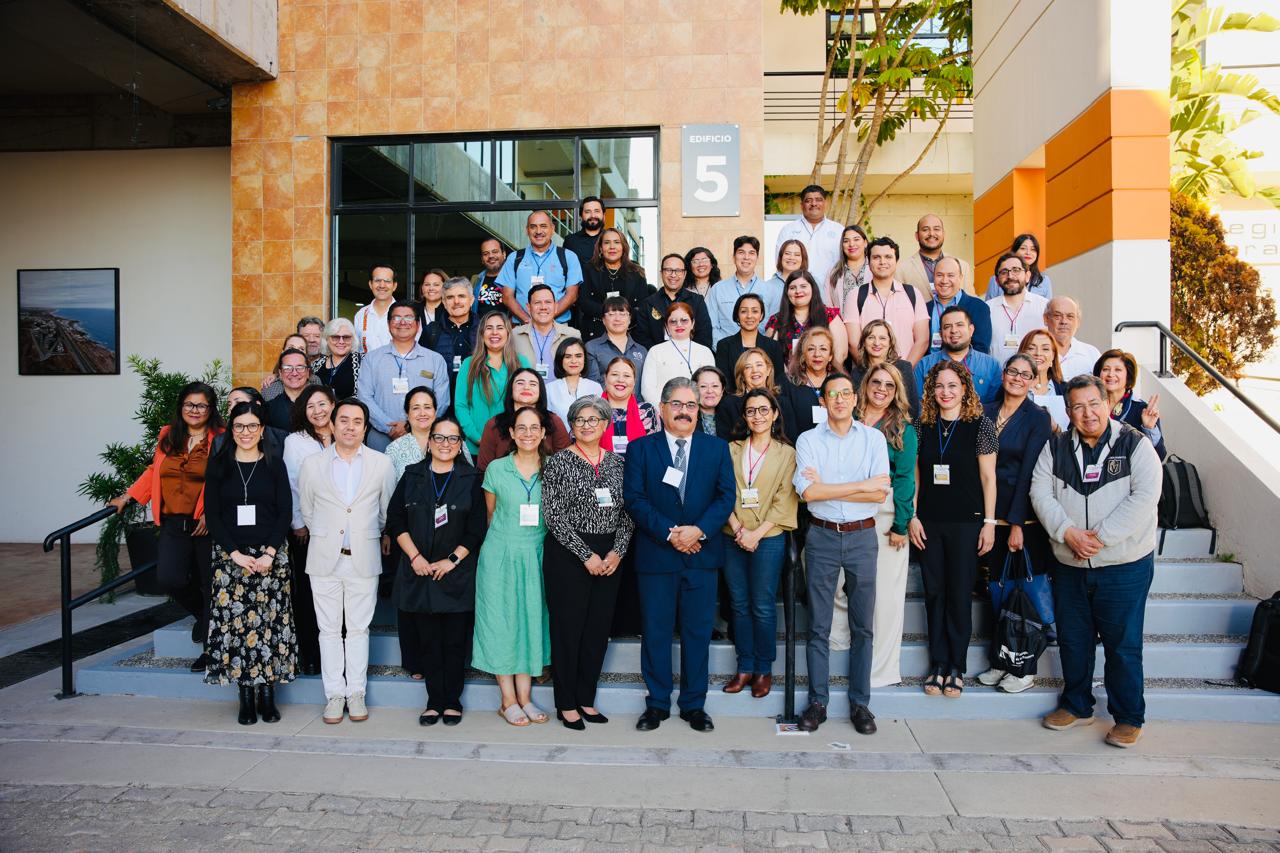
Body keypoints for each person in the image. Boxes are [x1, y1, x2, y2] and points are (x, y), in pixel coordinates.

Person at [1031, 375, 1162, 748]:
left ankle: (1128, 716)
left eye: (1093, 404)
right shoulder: (1055, 447)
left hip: (1123, 563)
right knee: (1074, 640)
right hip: (1070, 563)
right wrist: (1067, 532)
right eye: (1077, 406)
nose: (1087, 413)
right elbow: (1040, 491)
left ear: (1109, 404)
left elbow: (1145, 497)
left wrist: (1099, 538)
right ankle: (1077, 705)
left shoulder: (1134, 444)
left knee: (1122, 644)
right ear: (1068, 410)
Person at [624, 377, 736, 733]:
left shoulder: (716, 449)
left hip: (702, 556)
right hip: (657, 556)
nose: (684, 411)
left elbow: (725, 498)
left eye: (691, 405)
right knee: (656, 632)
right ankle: (656, 704)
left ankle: (693, 705)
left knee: (697, 634)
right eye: (677, 404)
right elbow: (635, 500)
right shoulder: (641, 449)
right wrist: (672, 533)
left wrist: (697, 531)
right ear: (662, 409)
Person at [793, 373, 890, 734]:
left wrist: (831, 488)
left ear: (854, 399)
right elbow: (808, 494)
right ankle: (818, 701)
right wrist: (860, 485)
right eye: (832, 393)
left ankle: (860, 703)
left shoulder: (873, 439)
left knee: (862, 626)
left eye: (845, 393)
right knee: (818, 625)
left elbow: (879, 494)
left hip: (863, 538)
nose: (839, 399)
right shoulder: (808, 440)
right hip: (822, 537)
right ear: (823, 400)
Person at [110, 382, 224, 673]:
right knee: (169, 579)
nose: (195, 410)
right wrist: (128, 496)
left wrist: (211, 513)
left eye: (201, 405)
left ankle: (212, 651)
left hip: (205, 524)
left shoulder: (221, 439)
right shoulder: (167, 436)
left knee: (210, 585)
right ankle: (204, 617)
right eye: (189, 404)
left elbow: (226, 479)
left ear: (210, 409)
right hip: (173, 521)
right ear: (181, 407)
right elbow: (153, 472)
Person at [298, 398, 398, 724]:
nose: (350, 426)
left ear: (365, 428)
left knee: (358, 628)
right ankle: (334, 695)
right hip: (325, 557)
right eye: (344, 420)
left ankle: (356, 692)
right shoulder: (313, 464)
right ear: (332, 424)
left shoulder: (381, 464)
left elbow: (386, 511)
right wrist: (328, 534)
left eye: (357, 421)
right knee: (328, 630)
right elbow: (308, 510)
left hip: (364, 555)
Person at [541, 397, 635, 729]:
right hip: (569, 554)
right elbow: (553, 516)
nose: (586, 425)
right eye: (580, 420)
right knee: (568, 630)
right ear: (571, 425)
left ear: (606, 424)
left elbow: (628, 514)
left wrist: (617, 552)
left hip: (609, 555)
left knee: (597, 631)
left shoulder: (618, 464)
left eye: (594, 420)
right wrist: (586, 555)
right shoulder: (558, 462)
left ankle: (586, 699)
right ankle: (566, 702)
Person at [386, 416, 486, 727]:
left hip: (456, 573)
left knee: (455, 641)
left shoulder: (471, 479)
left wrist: (452, 560)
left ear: (460, 446)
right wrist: (415, 557)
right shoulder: (412, 475)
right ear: (429, 443)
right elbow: (395, 521)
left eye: (452, 439)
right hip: (419, 571)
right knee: (428, 640)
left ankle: (452, 700)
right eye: (439, 438)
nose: (445, 444)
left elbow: (476, 529)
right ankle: (434, 701)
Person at [201, 400, 296, 725]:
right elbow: (212, 516)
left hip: (271, 557)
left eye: (252, 426)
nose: (246, 432)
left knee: (269, 625)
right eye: (240, 426)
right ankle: (245, 695)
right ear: (231, 429)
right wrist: (235, 554)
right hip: (231, 558)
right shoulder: (219, 465)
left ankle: (267, 695)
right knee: (237, 628)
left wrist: (269, 552)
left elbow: (284, 511)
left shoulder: (274, 464)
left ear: (261, 430)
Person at [908, 361, 998, 700]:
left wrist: (989, 523)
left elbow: (989, 479)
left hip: (967, 521)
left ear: (965, 389)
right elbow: (915, 475)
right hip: (930, 521)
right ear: (931, 390)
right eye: (939, 386)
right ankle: (937, 663)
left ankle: (955, 666)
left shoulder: (981, 426)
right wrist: (912, 515)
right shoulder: (922, 425)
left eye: (952, 386)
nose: (945, 392)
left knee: (959, 594)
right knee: (935, 593)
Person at [974, 354, 1054, 693]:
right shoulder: (986, 411)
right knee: (997, 592)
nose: (1017, 378)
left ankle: (1026, 666)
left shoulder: (1038, 418)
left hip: (1023, 516)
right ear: (1003, 374)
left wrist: (1018, 523)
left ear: (1035, 381)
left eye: (1026, 374)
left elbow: (1030, 471)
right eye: (1012, 371)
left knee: (1025, 594)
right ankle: (1002, 660)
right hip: (990, 513)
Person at [472, 406, 554, 727]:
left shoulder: (553, 468)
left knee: (531, 622)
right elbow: (490, 516)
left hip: (538, 553)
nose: (528, 433)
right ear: (512, 433)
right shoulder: (496, 469)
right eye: (522, 428)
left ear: (544, 433)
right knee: (502, 623)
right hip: (501, 554)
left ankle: (526, 697)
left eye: (535, 428)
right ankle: (508, 701)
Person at [721, 388, 798, 699]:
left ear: (775, 413)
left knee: (763, 606)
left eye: (764, 410)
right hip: (732, 536)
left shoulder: (787, 453)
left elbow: (784, 500)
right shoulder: (731, 449)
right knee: (738, 604)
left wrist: (755, 534)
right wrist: (739, 528)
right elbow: (722, 491)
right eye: (751, 410)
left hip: (768, 538)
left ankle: (764, 669)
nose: (757, 416)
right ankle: (745, 666)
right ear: (744, 415)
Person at [853, 365, 918, 688]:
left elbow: (906, 479)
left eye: (889, 385)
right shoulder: (846, 418)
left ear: (897, 392)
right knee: (836, 580)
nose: (881, 389)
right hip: (846, 508)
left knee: (887, 596)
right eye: (875, 382)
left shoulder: (902, 429)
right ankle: (841, 643)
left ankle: (882, 670)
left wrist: (901, 523)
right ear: (865, 384)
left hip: (886, 513)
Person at [383, 385, 439, 680]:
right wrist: (388, 532)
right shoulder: (395, 449)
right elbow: (388, 495)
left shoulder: (449, 441)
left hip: (444, 537)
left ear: (435, 411)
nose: (422, 413)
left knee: (438, 598)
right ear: (406, 413)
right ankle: (415, 661)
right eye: (415, 407)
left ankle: (437, 657)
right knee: (410, 599)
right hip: (407, 534)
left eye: (427, 406)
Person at [282, 385, 336, 677]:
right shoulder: (295, 442)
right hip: (309, 531)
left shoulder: (345, 433)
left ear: (333, 404)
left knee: (337, 593)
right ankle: (311, 656)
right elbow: (292, 484)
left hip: (341, 530)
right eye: (311, 406)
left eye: (322, 404)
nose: (318, 411)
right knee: (308, 595)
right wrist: (298, 523)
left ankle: (337, 655)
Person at [357, 300, 451, 451]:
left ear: (418, 324)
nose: (402, 323)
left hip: (423, 439)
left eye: (408, 318)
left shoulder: (435, 360)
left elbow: (442, 400)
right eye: (396, 318)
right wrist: (388, 427)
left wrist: (411, 426)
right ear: (388, 324)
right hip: (380, 439)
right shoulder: (371, 359)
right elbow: (364, 397)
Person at [843, 236, 930, 365]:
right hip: (868, 377)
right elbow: (853, 343)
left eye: (888, 257)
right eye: (876, 257)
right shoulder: (855, 296)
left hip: (905, 375)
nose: (882, 262)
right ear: (868, 261)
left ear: (897, 261)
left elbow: (922, 340)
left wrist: (904, 371)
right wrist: (874, 373)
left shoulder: (913, 294)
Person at [455, 310, 529, 456]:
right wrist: (477, 438)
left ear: (508, 333)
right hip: (477, 447)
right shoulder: (469, 365)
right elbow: (460, 405)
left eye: (500, 328)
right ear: (482, 334)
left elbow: (530, 403)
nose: (494, 332)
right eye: (489, 328)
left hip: (514, 448)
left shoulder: (521, 363)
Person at [476, 367, 572, 470]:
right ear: (511, 391)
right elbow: (483, 469)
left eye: (533, 384)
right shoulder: (494, 424)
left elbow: (566, 465)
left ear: (540, 392)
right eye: (520, 383)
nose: (526, 387)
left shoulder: (553, 421)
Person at [497, 211, 582, 325]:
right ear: (527, 230)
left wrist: (545, 320)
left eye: (543, 226)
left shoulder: (568, 257)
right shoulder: (514, 258)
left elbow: (572, 295)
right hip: (523, 326)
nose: (538, 231)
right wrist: (528, 321)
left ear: (552, 229)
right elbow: (507, 297)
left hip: (558, 327)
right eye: (533, 227)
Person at [914, 306, 1003, 405]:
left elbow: (995, 407)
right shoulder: (924, 365)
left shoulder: (991, 365)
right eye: (947, 326)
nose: (953, 330)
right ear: (940, 333)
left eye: (959, 325)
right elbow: (919, 405)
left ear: (971, 330)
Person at [578, 227, 652, 341]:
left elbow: (642, 306)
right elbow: (584, 302)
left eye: (617, 242)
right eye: (607, 243)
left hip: (630, 333)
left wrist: (622, 318)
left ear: (623, 247)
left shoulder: (637, 272)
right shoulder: (588, 270)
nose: (612, 247)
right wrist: (609, 314)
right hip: (596, 332)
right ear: (601, 248)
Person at [707, 236, 783, 346]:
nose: (746, 257)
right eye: (741, 252)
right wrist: (724, 349)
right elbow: (711, 326)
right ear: (733, 257)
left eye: (751, 253)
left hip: (760, 354)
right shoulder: (718, 289)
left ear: (757, 257)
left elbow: (774, 326)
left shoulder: (770, 290)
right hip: (726, 353)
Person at [1094, 349, 1167, 459]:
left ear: (1128, 376)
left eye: (1118, 370)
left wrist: (1149, 428)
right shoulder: (1090, 405)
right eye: (1106, 369)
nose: (1110, 374)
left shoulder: (1142, 409)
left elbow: (1159, 456)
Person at [767, 270, 849, 367]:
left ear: (813, 289)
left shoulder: (830, 315)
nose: (798, 291)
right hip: (787, 378)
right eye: (793, 288)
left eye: (803, 286)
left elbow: (841, 353)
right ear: (787, 292)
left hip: (825, 377)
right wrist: (786, 379)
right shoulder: (776, 320)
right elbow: (771, 356)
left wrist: (824, 377)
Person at [640, 302, 715, 405]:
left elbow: (708, 388)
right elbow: (647, 389)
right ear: (666, 326)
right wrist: (664, 411)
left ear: (692, 323)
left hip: (696, 412)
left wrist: (693, 409)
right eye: (673, 321)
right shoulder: (655, 351)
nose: (679, 325)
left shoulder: (705, 352)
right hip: (662, 413)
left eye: (684, 320)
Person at [634, 253, 714, 349]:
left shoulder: (697, 301)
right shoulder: (648, 303)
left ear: (684, 274)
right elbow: (642, 338)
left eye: (678, 271)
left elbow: (704, 335)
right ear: (661, 273)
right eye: (668, 270)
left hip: (691, 358)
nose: (673, 275)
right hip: (659, 359)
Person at [778, 326, 839, 444]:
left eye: (823, 349)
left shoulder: (840, 383)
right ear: (803, 355)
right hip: (798, 450)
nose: (817, 354)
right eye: (811, 349)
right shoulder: (786, 383)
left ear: (830, 356)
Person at [849, 319, 921, 418]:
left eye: (882, 338)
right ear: (864, 343)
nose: (877, 343)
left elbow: (913, 408)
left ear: (890, 342)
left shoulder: (904, 368)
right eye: (871, 337)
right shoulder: (857, 373)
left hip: (898, 428)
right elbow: (855, 409)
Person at [774, 184, 844, 285]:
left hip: (830, 291)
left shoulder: (839, 230)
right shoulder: (788, 230)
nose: (814, 203)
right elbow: (780, 262)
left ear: (825, 203)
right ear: (802, 205)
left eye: (818, 199)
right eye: (808, 200)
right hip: (796, 291)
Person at [987, 252, 1048, 366]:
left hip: (1034, 378)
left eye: (1016, 270)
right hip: (997, 380)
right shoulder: (987, 309)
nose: (1010, 276)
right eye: (1004, 272)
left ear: (1027, 276)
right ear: (997, 280)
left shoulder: (1044, 307)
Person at [925, 256, 993, 356]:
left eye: (950, 275)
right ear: (933, 278)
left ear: (960, 277)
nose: (944, 280)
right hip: (929, 369)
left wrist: (956, 370)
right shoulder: (924, 308)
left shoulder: (979, 307)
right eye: (939, 275)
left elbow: (981, 348)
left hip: (964, 370)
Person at [511, 284, 581, 379]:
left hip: (561, 393)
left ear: (555, 306)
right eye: (537, 303)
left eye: (548, 302)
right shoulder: (514, 335)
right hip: (527, 392)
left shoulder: (572, 335)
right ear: (528, 307)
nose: (543, 307)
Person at [419, 276, 477, 388]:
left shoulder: (484, 329)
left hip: (477, 399)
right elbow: (422, 369)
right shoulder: (431, 331)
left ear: (471, 300)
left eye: (461, 296)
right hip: (442, 400)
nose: (456, 302)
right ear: (444, 302)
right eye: (450, 297)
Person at [898, 214, 975, 296]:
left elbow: (971, 302)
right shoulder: (901, 269)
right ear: (917, 236)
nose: (931, 233)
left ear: (943, 234)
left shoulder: (963, 267)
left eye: (936, 229)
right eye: (925, 230)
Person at [715, 292, 787, 380]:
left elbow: (778, 381)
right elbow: (724, 382)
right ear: (737, 315)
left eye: (755, 311)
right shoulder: (724, 346)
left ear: (761, 316)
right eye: (744, 311)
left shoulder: (774, 347)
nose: (749, 316)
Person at [727, 347, 796, 433]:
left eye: (759, 365)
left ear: (768, 370)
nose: (755, 370)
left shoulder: (783, 403)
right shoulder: (729, 404)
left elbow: (790, 439)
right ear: (742, 376)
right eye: (748, 367)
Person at [600, 356, 660, 454]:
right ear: (605, 378)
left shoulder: (647, 411)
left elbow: (655, 451)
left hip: (639, 468)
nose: (620, 380)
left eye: (627, 376)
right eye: (615, 374)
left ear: (634, 381)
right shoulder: (592, 411)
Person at [585, 296, 649, 385]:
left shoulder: (641, 350)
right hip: (603, 399)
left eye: (622, 314)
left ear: (630, 319)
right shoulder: (592, 348)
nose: (617, 319)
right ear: (603, 320)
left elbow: (646, 385)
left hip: (636, 399)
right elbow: (592, 385)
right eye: (611, 314)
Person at [546, 338, 603, 430]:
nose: (573, 361)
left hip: (590, 441)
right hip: (560, 442)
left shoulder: (595, 387)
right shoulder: (549, 388)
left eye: (578, 356)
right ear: (561, 360)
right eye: (568, 356)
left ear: (584, 359)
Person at [1020, 328, 1069, 430]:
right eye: (1031, 348)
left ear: (1053, 356)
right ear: (1022, 354)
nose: (1038, 353)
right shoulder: (1010, 387)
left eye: (1045, 349)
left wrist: (1056, 429)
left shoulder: (1066, 389)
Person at [1044, 296, 1101, 380]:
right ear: (1046, 319)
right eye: (1057, 316)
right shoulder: (1036, 353)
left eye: (1070, 316)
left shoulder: (1092, 354)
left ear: (1078, 321)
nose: (1064, 321)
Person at [985, 233, 1053, 300]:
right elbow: (989, 308)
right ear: (1014, 252)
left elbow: (1048, 309)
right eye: (1023, 248)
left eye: (1033, 249)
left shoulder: (1044, 280)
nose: (1028, 253)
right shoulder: (997, 279)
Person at [312, 318, 362, 401]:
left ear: (353, 339)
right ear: (327, 339)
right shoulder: (316, 364)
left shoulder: (363, 362)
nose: (341, 342)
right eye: (335, 337)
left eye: (346, 337)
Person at [354, 263, 398, 354]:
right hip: (367, 367)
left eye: (387, 281)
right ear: (370, 284)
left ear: (394, 286)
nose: (382, 285)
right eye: (377, 280)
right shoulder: (361, 315)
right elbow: (356, 349)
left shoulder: (406, 314)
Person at [825, 225, 871, 312]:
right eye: (846, 241)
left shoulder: (875, 268)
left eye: (856, 239)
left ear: (865, 243)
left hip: (872, 324)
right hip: (841, 324)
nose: (851, 244)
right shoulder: (833, 272)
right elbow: (828, 306)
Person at [265, 348, 313, 432]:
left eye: (300, 367)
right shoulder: (269, 409)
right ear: (280, 373)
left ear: (308, 372)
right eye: (287, 368)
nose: (294, 373)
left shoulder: (320, 406)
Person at [263, 334, 320, 402]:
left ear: (306, 355)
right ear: (283, 352)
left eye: (301, 349)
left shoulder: (315, 381)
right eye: (291, 348)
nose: (295, 352)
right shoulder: (270, 387)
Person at [692, 365, 737, 440]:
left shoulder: (733, 415)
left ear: (722, 390)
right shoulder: (687, 416)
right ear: (694, 390)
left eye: (715, 386)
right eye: (703, 386)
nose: (709, 391)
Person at [563, 195, 605, 271]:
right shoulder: (570, 241)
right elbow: (565, 269)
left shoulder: (611, 240)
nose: (593, 215)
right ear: (581, 216)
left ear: (603, 215)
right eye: (587, 212)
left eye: (597, 211)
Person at [765, 238, 807, 307]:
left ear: (803, 259)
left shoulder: (812, 283)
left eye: (797, 255)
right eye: (787, 253)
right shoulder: (767, 286)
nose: (791, 258)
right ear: (781, 257)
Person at [472, 237, 508, 315]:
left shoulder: (514, 278)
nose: (491, 256)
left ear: (504, 254)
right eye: (486, 254)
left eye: (495, 252)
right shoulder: (475, 280)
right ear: (482, 259)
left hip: (507, 326)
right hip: (480, 326)